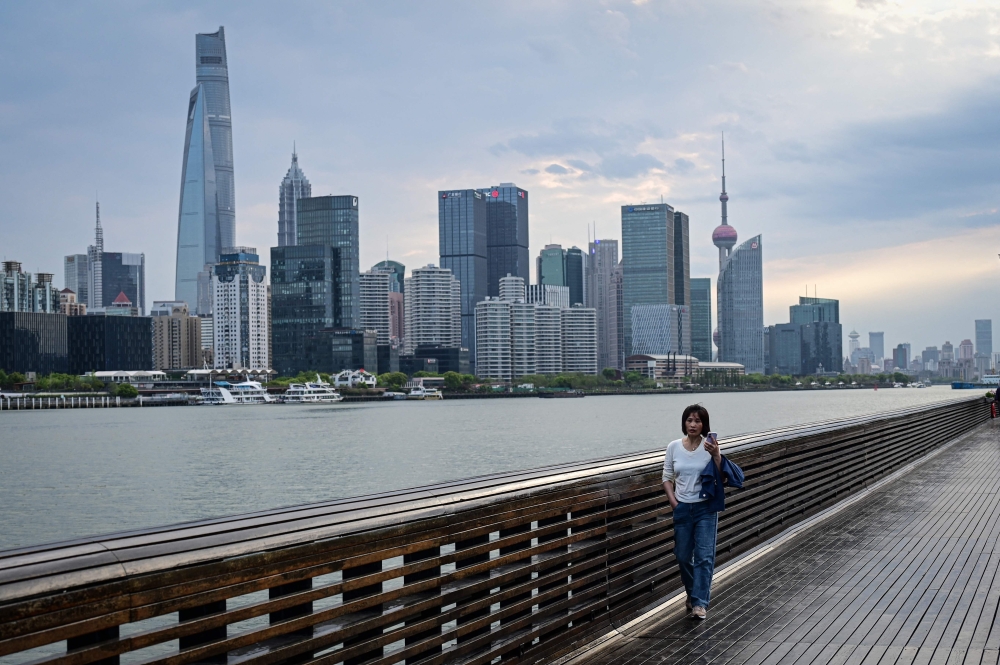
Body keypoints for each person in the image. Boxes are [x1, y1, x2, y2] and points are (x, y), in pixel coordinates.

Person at [662, 404, 722, 620]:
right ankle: (692, 593)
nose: (693, 424)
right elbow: (667, 477)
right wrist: (674, 502)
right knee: (683, 556)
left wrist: (716, 455)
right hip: (683, 508)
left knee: (704, 557)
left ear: (704, 424)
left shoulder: (710, 447)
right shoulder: (674, 447)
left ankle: (699, 603)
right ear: (684, 423)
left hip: (705, 508)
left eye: (698, 421)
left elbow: (720, 475)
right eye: (689, 420)